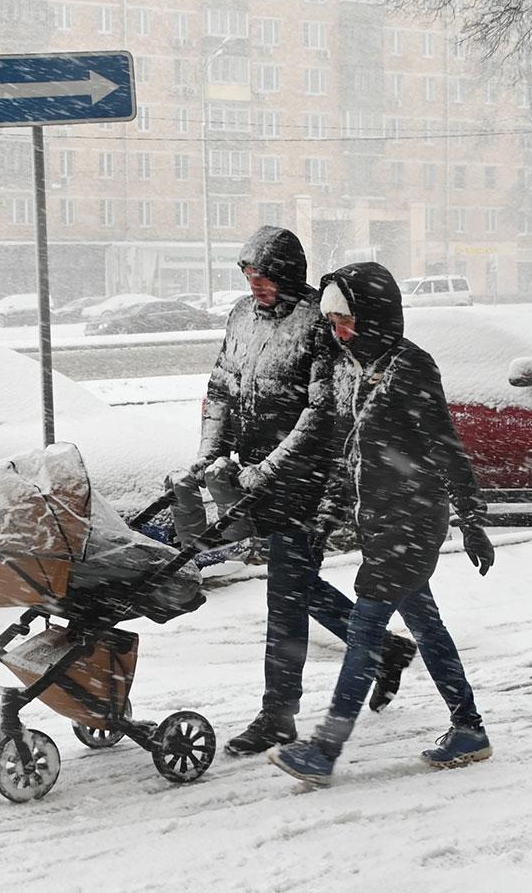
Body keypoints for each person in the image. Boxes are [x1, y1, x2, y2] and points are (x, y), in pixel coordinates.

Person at [266, 261, 497, 786]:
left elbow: (445, 445)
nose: (338, 331)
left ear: (375, 314)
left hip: (413, 519)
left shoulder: (411, 366)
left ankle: (324, 749)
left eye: (346, 319)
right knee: (426, 625)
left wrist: (472, 519)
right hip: (379, 520)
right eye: (333, 322)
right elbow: (347, 456)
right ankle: (469, 728)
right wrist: (324, 521)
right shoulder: (350, 367)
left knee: (366, 630)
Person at [195, 226, 419, 759]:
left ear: (288, 273)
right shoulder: (240, 317)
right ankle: (386, 650)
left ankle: (279, 714)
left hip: (304, 478)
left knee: (285, 597)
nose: (256, 285)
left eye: (265, 275)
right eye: (249, 275)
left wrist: (268, 471)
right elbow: (221, 384)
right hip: (257, 475)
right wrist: (209, 453)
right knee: (292, 581)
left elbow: (321, 414)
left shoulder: (318, 322)